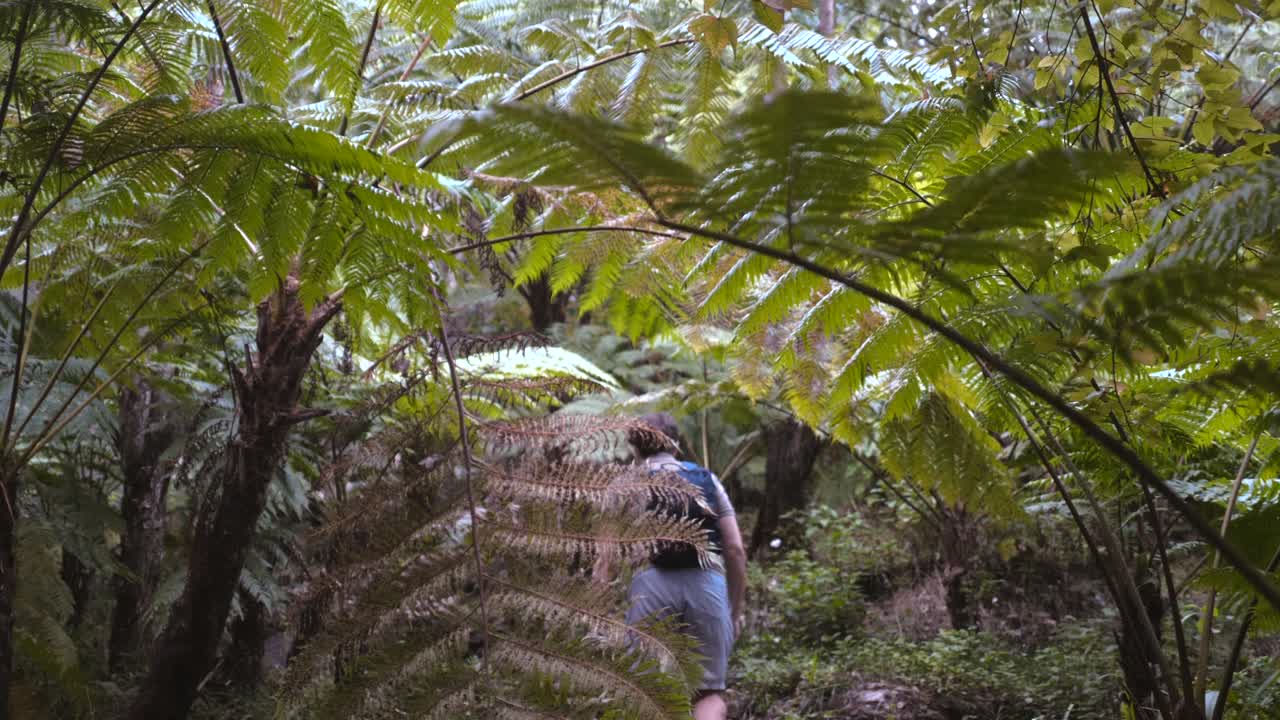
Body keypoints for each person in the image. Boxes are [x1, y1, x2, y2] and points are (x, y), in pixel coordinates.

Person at [594, 412, 747, 720]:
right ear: (675, 446)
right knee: (708, 693)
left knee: (646, 692)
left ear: (635, 449)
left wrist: (600, 613)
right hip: (707, 586)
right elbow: (735, 549)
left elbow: (605, 560)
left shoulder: (624, 485)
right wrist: (735, 609)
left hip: (649, 589)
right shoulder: (707, 480)